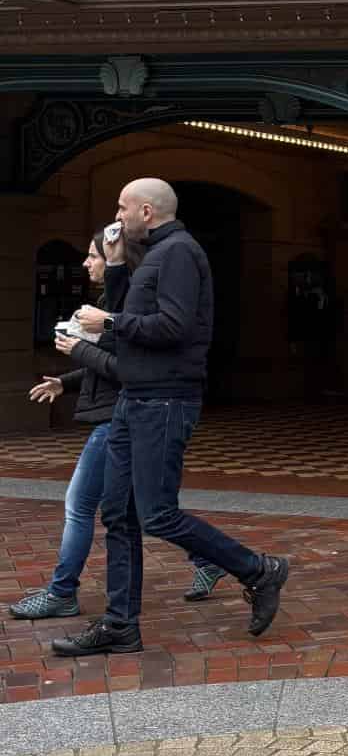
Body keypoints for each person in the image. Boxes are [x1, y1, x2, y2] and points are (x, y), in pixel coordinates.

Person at [50, 179, 291, 658]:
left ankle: (259, 569)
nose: (115, 217)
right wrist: (116, 270)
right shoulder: (152, 256)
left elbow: (173, 327)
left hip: (164, 399)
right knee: (117, 513)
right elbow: (128, 325)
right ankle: (121, 626)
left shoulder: (180, 252)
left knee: (157, 514)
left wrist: (109, 323)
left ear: (144, 211)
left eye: (121, 207)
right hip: (134, 399)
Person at [10, 226, 222, 623]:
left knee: (82, 504)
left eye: (93, 256)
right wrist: (65, 381)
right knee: (140, 509)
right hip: (115, 413)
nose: (86, 263)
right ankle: (209, 559)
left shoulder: (124, 311)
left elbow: (126, 369)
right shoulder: (110, 303)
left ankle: (62, 592)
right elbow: (105, 366)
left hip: (118, 418)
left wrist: (79, 350)